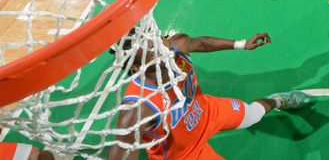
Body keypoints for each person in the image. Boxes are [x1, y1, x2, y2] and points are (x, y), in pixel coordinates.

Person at [108, 30, 309, 160]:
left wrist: (241, 44)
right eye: (154, 52)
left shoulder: (175, 45)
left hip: (205, 111)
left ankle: (278, 100)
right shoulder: (137, 107)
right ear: (136, 67)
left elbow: (201, 43)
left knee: (252, 115)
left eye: (160, 42)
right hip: (186, 154)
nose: (164, 50)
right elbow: (120, 154)